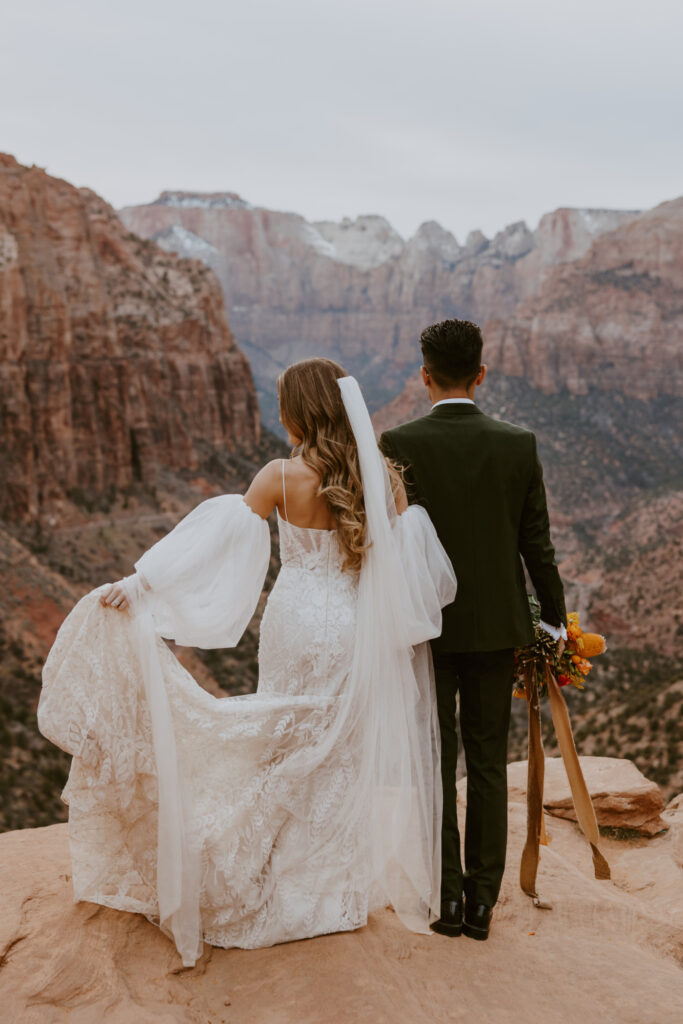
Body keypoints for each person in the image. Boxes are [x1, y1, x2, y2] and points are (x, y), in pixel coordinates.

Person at [38, 358, 456, 967]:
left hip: (293, 618)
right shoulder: (382, 478)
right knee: (334, 754)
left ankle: (263, 881)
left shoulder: (281, 477)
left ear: (298, 411)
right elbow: (407, 573)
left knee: (279, 747)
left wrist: (143, 583)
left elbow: (211, 546)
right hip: (351, 625)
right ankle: (328, 898)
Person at [380, 319, 567, 942]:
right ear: (481, 374)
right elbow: (535, 543)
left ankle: (446, 899)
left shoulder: (399, 442)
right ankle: (484, 901)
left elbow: (388, 546)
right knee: (488, 763)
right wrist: (554, 621)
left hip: (426, 630)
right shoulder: (519, 443)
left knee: (436, 761)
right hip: (496, 630)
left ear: (424, 375)